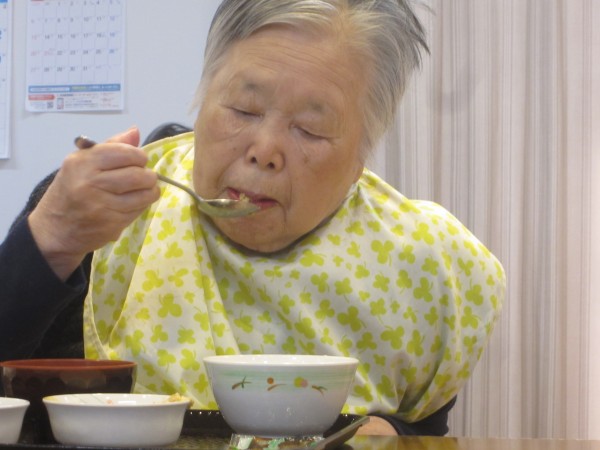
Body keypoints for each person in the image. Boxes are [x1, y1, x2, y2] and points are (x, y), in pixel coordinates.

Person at [0, 0, 505, 436]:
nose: (265, 150)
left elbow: (423, 429)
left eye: (310, 129)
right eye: (243, 109)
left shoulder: (420, 265)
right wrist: (50, 241)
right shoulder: (102, 211)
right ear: (202, 98)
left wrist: (395, 433)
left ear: (360, 158)